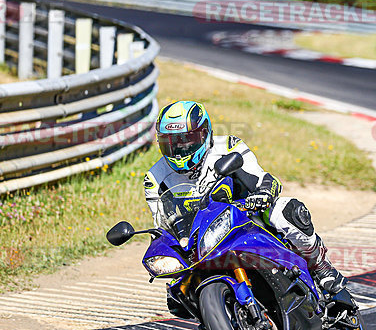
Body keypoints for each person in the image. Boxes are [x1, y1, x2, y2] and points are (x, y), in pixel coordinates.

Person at [143, 100, 348, 298]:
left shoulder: (229, 147)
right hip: (201, 240)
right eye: (171, 143)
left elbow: (265, 180)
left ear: (204, 134)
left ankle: (320, 265)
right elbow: (161, 224)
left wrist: (263, 195)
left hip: (246, 220)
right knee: (176, 291)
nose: (179, 150)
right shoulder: (155, 177)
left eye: (186, 140)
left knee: (286, 211)